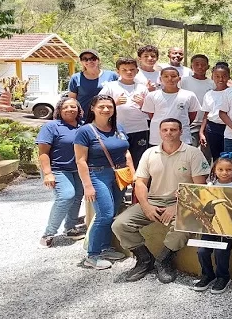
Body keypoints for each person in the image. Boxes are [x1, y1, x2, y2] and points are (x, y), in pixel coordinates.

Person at [112, 118, 210, 283]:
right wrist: (146, 206)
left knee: (184, 227)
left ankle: (163, 260)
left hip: (184, 202)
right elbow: (141, 183)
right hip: (153, 200)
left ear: (181, 132)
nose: (169, 133)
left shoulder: (193, 153)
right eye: (165, 130)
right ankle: (144, 260)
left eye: (173, 130)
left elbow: (199, 187)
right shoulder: (150, 153)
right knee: (120, 224)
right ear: (159, 132)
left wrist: (177, 207)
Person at [74, 95, 133, 270]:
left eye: (109, 106)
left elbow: (126, 152)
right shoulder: (85, 131)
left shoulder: (117, 128)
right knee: (104, 214)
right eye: (102, 106)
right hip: (97, 175)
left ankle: (105, 247)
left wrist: (133, 175)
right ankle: (92, 255)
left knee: (112, 212)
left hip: (118, 174)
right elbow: (80, 161)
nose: (106, 110)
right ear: (92, 108)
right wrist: (87, 186)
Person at [36, 97, 86, 247]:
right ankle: (48, 233)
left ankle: (70, 228)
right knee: (66, 195)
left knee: (77, 197)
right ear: (59, 110)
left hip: (77, 170)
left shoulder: (83, 126)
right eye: (65, 107)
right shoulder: (52, 126)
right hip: (58, 169)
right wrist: (47, 173)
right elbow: (43, 152)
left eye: (73, 107)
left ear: (79, 109)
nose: (70, 109)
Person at [193, 155, 232, 293]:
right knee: (202, 251)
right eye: (220, 169)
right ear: (214, 170)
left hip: (227, 228)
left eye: (228, 169)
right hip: (210, 227)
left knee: (222, 251)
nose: (224, 172)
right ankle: (207, 275)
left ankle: (223, 277)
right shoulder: (209, 186)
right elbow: (200, 205)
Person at [100, 57, 150, 168]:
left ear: (137, 71)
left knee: (139, 160)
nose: (129, 72)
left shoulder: (142, 88)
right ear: (117, 71)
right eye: (124, 70)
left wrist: (143, 104)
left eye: (132, 69)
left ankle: (137, 183)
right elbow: (99, 105)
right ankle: (121, 184)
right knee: (120, 159)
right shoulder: (110, 86)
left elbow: (151, 111)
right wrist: (114, 103)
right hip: (117, 128)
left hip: (139, 129)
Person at [141, 67, 201, 146]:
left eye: (173, 76)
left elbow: (192, 115)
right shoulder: (152, 96)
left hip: (182, 137)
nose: (170, 79)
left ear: (179, 78)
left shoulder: (189, 95)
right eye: (166, 76)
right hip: (157, 138)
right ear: (160, 79)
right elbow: (151, 115)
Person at [67, 49, 118, 118]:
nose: (89, 61)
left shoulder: (111, 75)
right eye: (85, 59)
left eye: (93, 58)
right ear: (81, 62)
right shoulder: (76, 78)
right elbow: (72, 99)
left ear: (98, 60)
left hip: (107, 116)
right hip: (84, 118)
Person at [179, 54, 215, 149]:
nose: (200, 67)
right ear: (191, 66)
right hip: (189, 123)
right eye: (197, 64)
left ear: (208, 67)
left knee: (206, 154)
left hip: (207, 123)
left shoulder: (212, 84)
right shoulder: (183, 81)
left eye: (203, 64)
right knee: (190, 151)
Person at [199, 64, 231, 162]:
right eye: (217, 76)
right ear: (212, 77)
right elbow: (206, 114)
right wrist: (201, 132)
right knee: (216, 156)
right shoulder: (209, 94)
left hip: (229, 127)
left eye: (224, 76)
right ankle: (218, 176)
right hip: (212, 128)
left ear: (229, 76)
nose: (220, 79)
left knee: (230, 156)